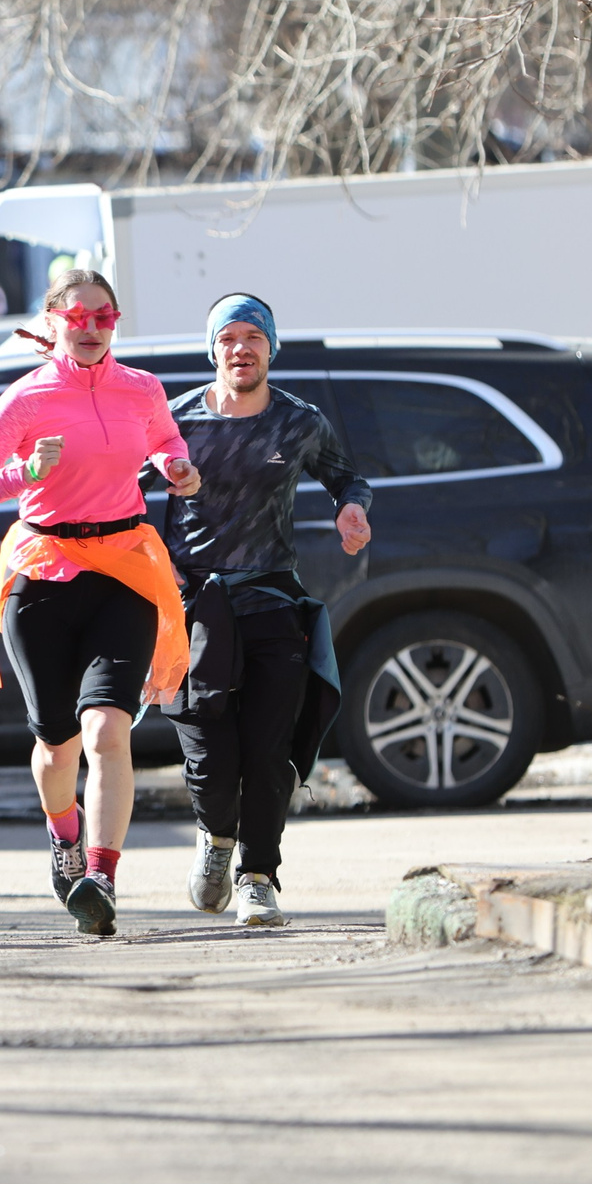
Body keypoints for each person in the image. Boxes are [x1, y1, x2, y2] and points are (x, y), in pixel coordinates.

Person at [0, 267, 198, 937]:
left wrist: (177, 466)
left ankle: (101, 876)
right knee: (58, 744)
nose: (91, 328)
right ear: (54, 319)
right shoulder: (28, 398)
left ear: (115, 323)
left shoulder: (142, 389)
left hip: (122, 569)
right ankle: (64, 838)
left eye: (104, 317)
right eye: (79, 317)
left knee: (107, 731)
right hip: (44, 573)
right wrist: (23, 473)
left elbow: (167, 442)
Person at [160, 294, 372, 927]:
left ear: (271, 347)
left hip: (274, 599)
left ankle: (258, 877)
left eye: (253, 336)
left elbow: (347, 478)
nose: (241, 349)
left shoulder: (298, 421)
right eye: (228, 338)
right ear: (213, 349)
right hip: (197, 607)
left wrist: (351, 509)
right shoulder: (173, 422)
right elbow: (119, 490)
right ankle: (216, 840)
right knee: (208, 752)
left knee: (268, 747)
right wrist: (154, 555)